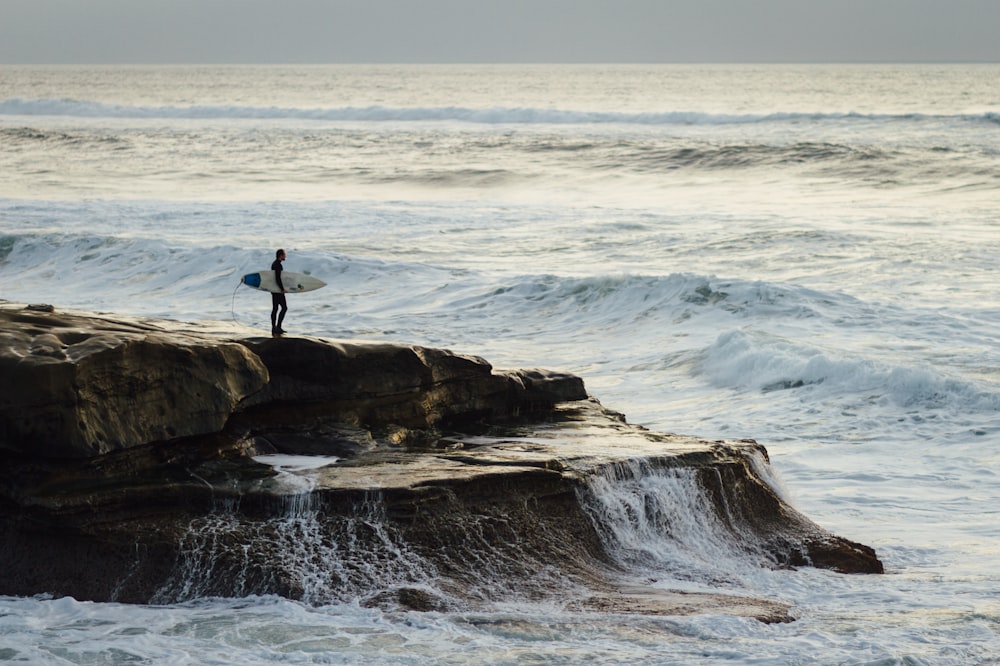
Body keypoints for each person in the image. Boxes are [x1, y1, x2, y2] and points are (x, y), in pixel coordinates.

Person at [270, 248, 288, 336]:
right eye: (284, 254)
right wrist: (282, 289)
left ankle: (274, 327)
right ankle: (278, 327)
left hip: (274, 290)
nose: (285, 256)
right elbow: (278, 278)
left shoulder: (274, 263)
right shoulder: (278, 265)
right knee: (284, 308)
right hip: (277, 290)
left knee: (275, 308)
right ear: (281, 255)